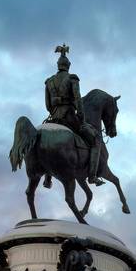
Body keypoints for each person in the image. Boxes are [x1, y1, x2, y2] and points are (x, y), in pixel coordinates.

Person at [44, 45, 102, 185]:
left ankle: (47, 178)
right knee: (96, 140)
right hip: (69, 118)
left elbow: (48, 105)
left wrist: (55, 109)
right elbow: (77, 99)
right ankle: (92, 176)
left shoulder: (49, 82)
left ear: (58, 65)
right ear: (68, 66)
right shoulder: (72, 79)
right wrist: (81, 117)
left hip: (53, 119)